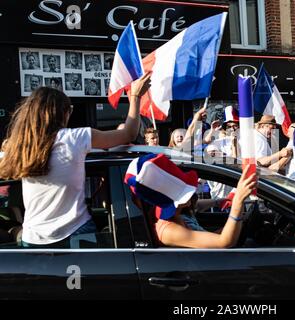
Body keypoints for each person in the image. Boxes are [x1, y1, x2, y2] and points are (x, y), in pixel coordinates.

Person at [0, 71, 152, 248]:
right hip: (76, 233)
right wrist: (135, 96)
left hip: (33, 239)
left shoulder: (19, 147)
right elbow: (129, 134)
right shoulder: (75, 138)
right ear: (63, 113)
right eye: (70, 110)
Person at [152, 165, 257, 248]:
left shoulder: (179, 212)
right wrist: (238, 201)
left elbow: (197, 205)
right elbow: (225, 243)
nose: (193, 191)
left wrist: (218, 202)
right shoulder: (169, 230)